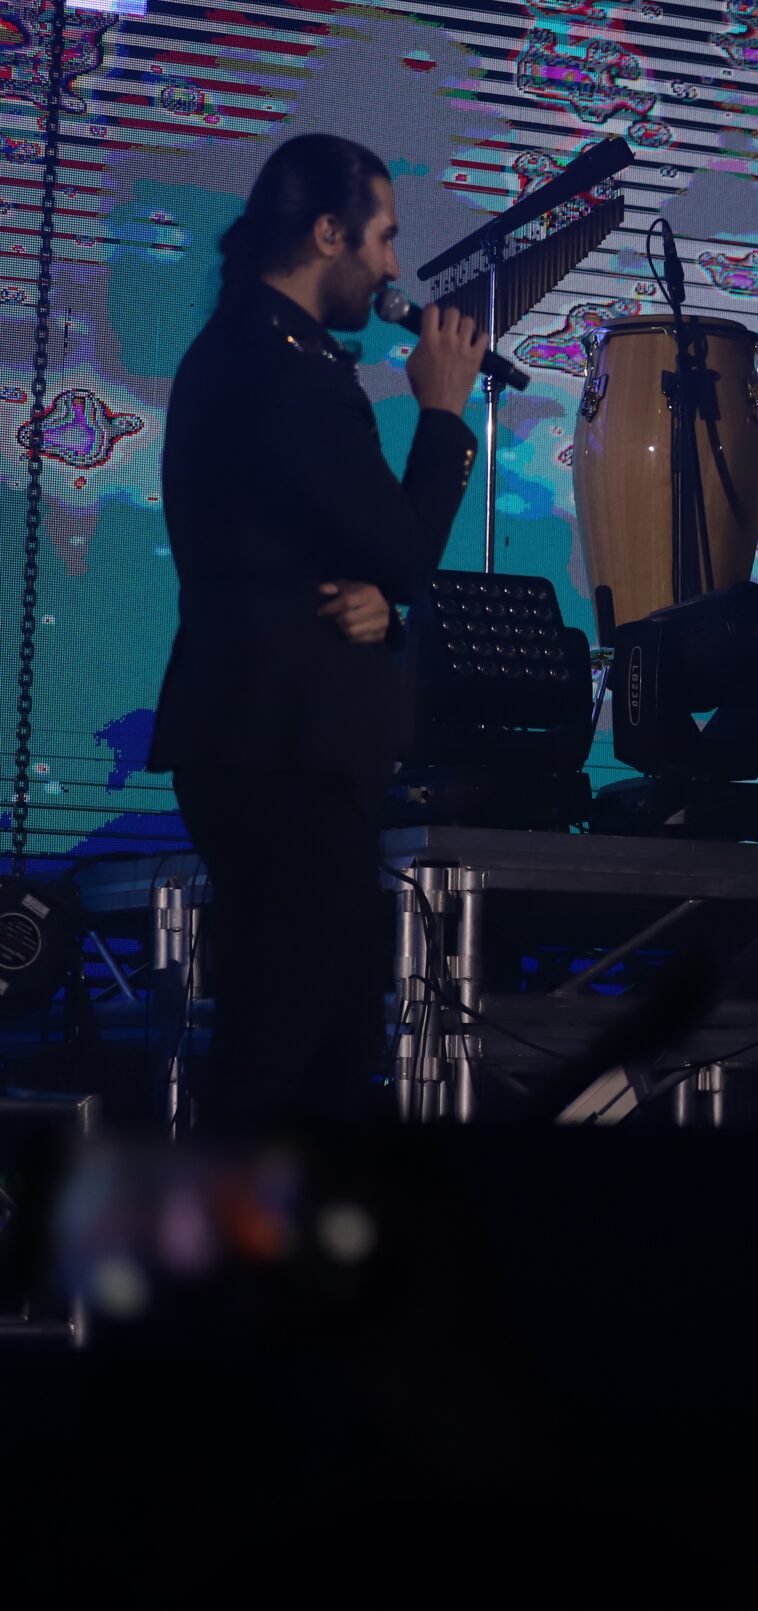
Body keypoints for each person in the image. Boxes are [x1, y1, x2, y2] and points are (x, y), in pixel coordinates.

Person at [147, 133, 490, 1127]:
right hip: (280, 751)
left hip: (275, 743)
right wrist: (443, 414)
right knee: (283, 1051)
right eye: (383, 237)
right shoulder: (279, 366)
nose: (392, 266)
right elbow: (403, 550)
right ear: (330, 233)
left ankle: (283, 1227)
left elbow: (327, 549)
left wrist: (378, 600)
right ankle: (225, 1227)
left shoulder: (256, 352)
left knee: (323, 1046)